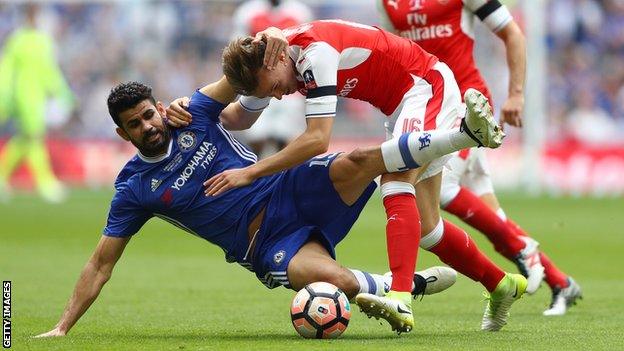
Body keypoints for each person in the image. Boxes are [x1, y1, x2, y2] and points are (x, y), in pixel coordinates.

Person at [34, 80, 459, 338]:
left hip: (288, 189)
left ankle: (457, 136)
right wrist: (62, 326)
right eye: (135, 124)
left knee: (361, 161)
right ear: (121, 132)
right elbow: (100, 264)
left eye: (149, 115)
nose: (147, 127)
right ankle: (400, 286)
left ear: (159, 108)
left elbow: (237, 76)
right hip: (266, 244)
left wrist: (271, 46)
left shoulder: (193, 112)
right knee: (339, 283)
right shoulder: (134, 189)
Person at [215, 19, 526, 332]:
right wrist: (192, 108)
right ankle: (502, 284)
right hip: (401, 106)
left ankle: (400, 297)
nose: (280, 96)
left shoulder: (314, 53)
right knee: (429, 230)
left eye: (274, 88)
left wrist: (251, 172)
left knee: (395, 179)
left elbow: (317, 139)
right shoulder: (270, 62)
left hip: (425, 86)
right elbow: (239, 116)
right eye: (271, 93)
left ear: (278, 59)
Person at [376, 0, 581, 315]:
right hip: (427, 109)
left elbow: (513, 33)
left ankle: (520, 247)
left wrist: (515, 93)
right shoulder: (388, 3)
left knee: (440, 188)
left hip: (466, 110)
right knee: (491, 215)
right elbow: (389, 53)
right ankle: (560, 281)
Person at [0, 3, 75, 203]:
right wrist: (5, 95)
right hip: (22, 95)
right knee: (34, 136)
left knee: (26, 138)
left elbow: (49, 70)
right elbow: (7, 69)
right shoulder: (17, 39)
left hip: (38, 96)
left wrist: (62, 91)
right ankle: (45, 182)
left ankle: (2, 177)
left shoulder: (44, 40)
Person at [231, 0, 312, 158]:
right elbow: (237, 48)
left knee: (288, 137)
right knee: (256, 137)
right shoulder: (247, 12)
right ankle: (256, 173)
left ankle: (282, 178)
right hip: (259, 85)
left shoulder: (299, 11)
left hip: (290, 88)